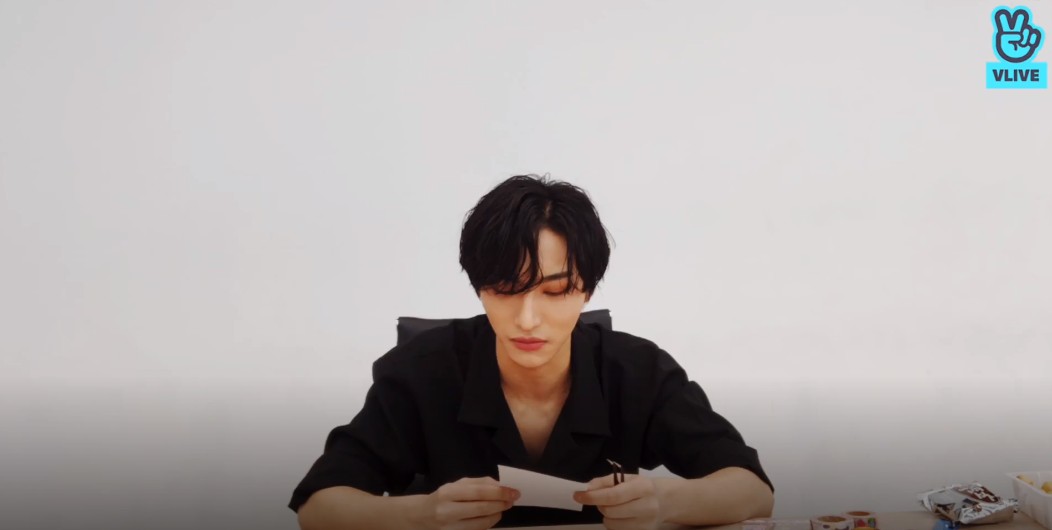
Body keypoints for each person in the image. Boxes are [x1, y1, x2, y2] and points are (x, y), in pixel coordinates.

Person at [289, 175, 774, 529]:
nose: (527, 319)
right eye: (505, 290)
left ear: (587, 292)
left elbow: (752, 489)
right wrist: (422, 514)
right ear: (479, 288)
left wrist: (665, 502)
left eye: (555, 291)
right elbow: (318, 507)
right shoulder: (422, 371)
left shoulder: (637, 370)